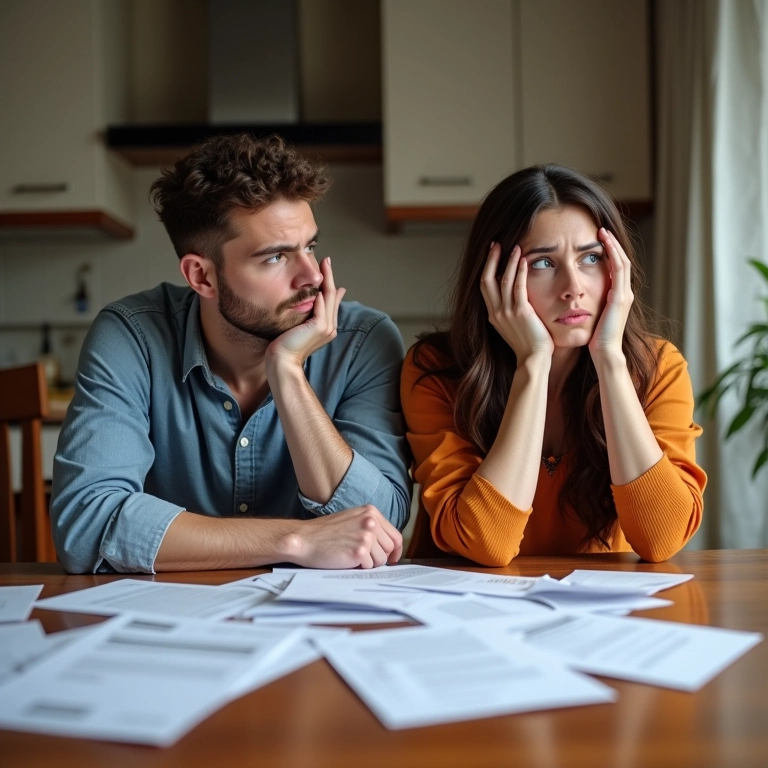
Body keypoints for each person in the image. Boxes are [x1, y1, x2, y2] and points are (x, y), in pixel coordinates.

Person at [51, 133, 411, 574]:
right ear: (201, 276)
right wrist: (294, 540)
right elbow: (85, 527)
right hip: (171, 622)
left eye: (310, 246)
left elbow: (381, 528)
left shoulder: (363, 342)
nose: (312, 276)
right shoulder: (132, 336)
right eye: (276, 257)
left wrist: (287, 371)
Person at [401, 164, 706, 566]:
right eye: (543, 263)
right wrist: (533, 362)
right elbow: (486, 544)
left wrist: (610, 360)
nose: (573, 287)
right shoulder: (435, 370)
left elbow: (661, 538)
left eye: (591, 258)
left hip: (599, 615)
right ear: (493, 278)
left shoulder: (658, 368)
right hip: (468, 611)